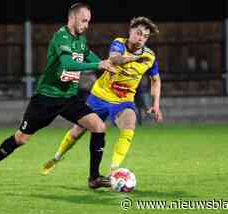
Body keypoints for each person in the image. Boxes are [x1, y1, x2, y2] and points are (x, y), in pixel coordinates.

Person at [0, 2, 116, 192]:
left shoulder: (81, 40)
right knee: (21, 139)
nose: (87, 25)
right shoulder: (61, 37)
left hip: (68, 98)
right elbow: (68, 64)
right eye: (84, 20)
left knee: (99, 126)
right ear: (73, 18)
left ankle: (94, 178)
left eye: (89, 21)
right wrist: (98, 65)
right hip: (46, 99)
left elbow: (89, 55)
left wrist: (107, 62)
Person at [41, 16, 163, 176]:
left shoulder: (150, 57)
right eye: (138, 33)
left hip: (123, 100)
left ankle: (115, 170)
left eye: (145, 36)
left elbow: (156, 79)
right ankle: (57, 157)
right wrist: (135, 58)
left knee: (130, 125)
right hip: (99, 96)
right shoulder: (119, 43)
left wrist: (156, 104)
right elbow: (115, 59)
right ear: (130, 31)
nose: (141, 38)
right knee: (77, 131)